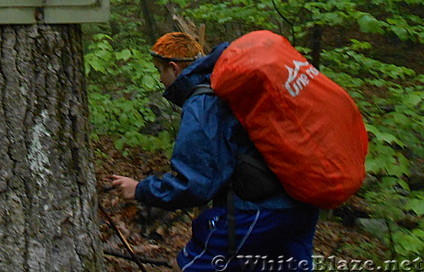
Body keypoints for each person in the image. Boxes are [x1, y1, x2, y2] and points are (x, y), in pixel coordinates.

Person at [108, 32, 319, 272]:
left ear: (174, 68)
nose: (160, 79)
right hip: (301, 201)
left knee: (187, 266)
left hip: (256, 212)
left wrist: (140, 189)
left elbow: (195, 183)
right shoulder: (227, 83)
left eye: (160, 71)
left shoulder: (203, 102)